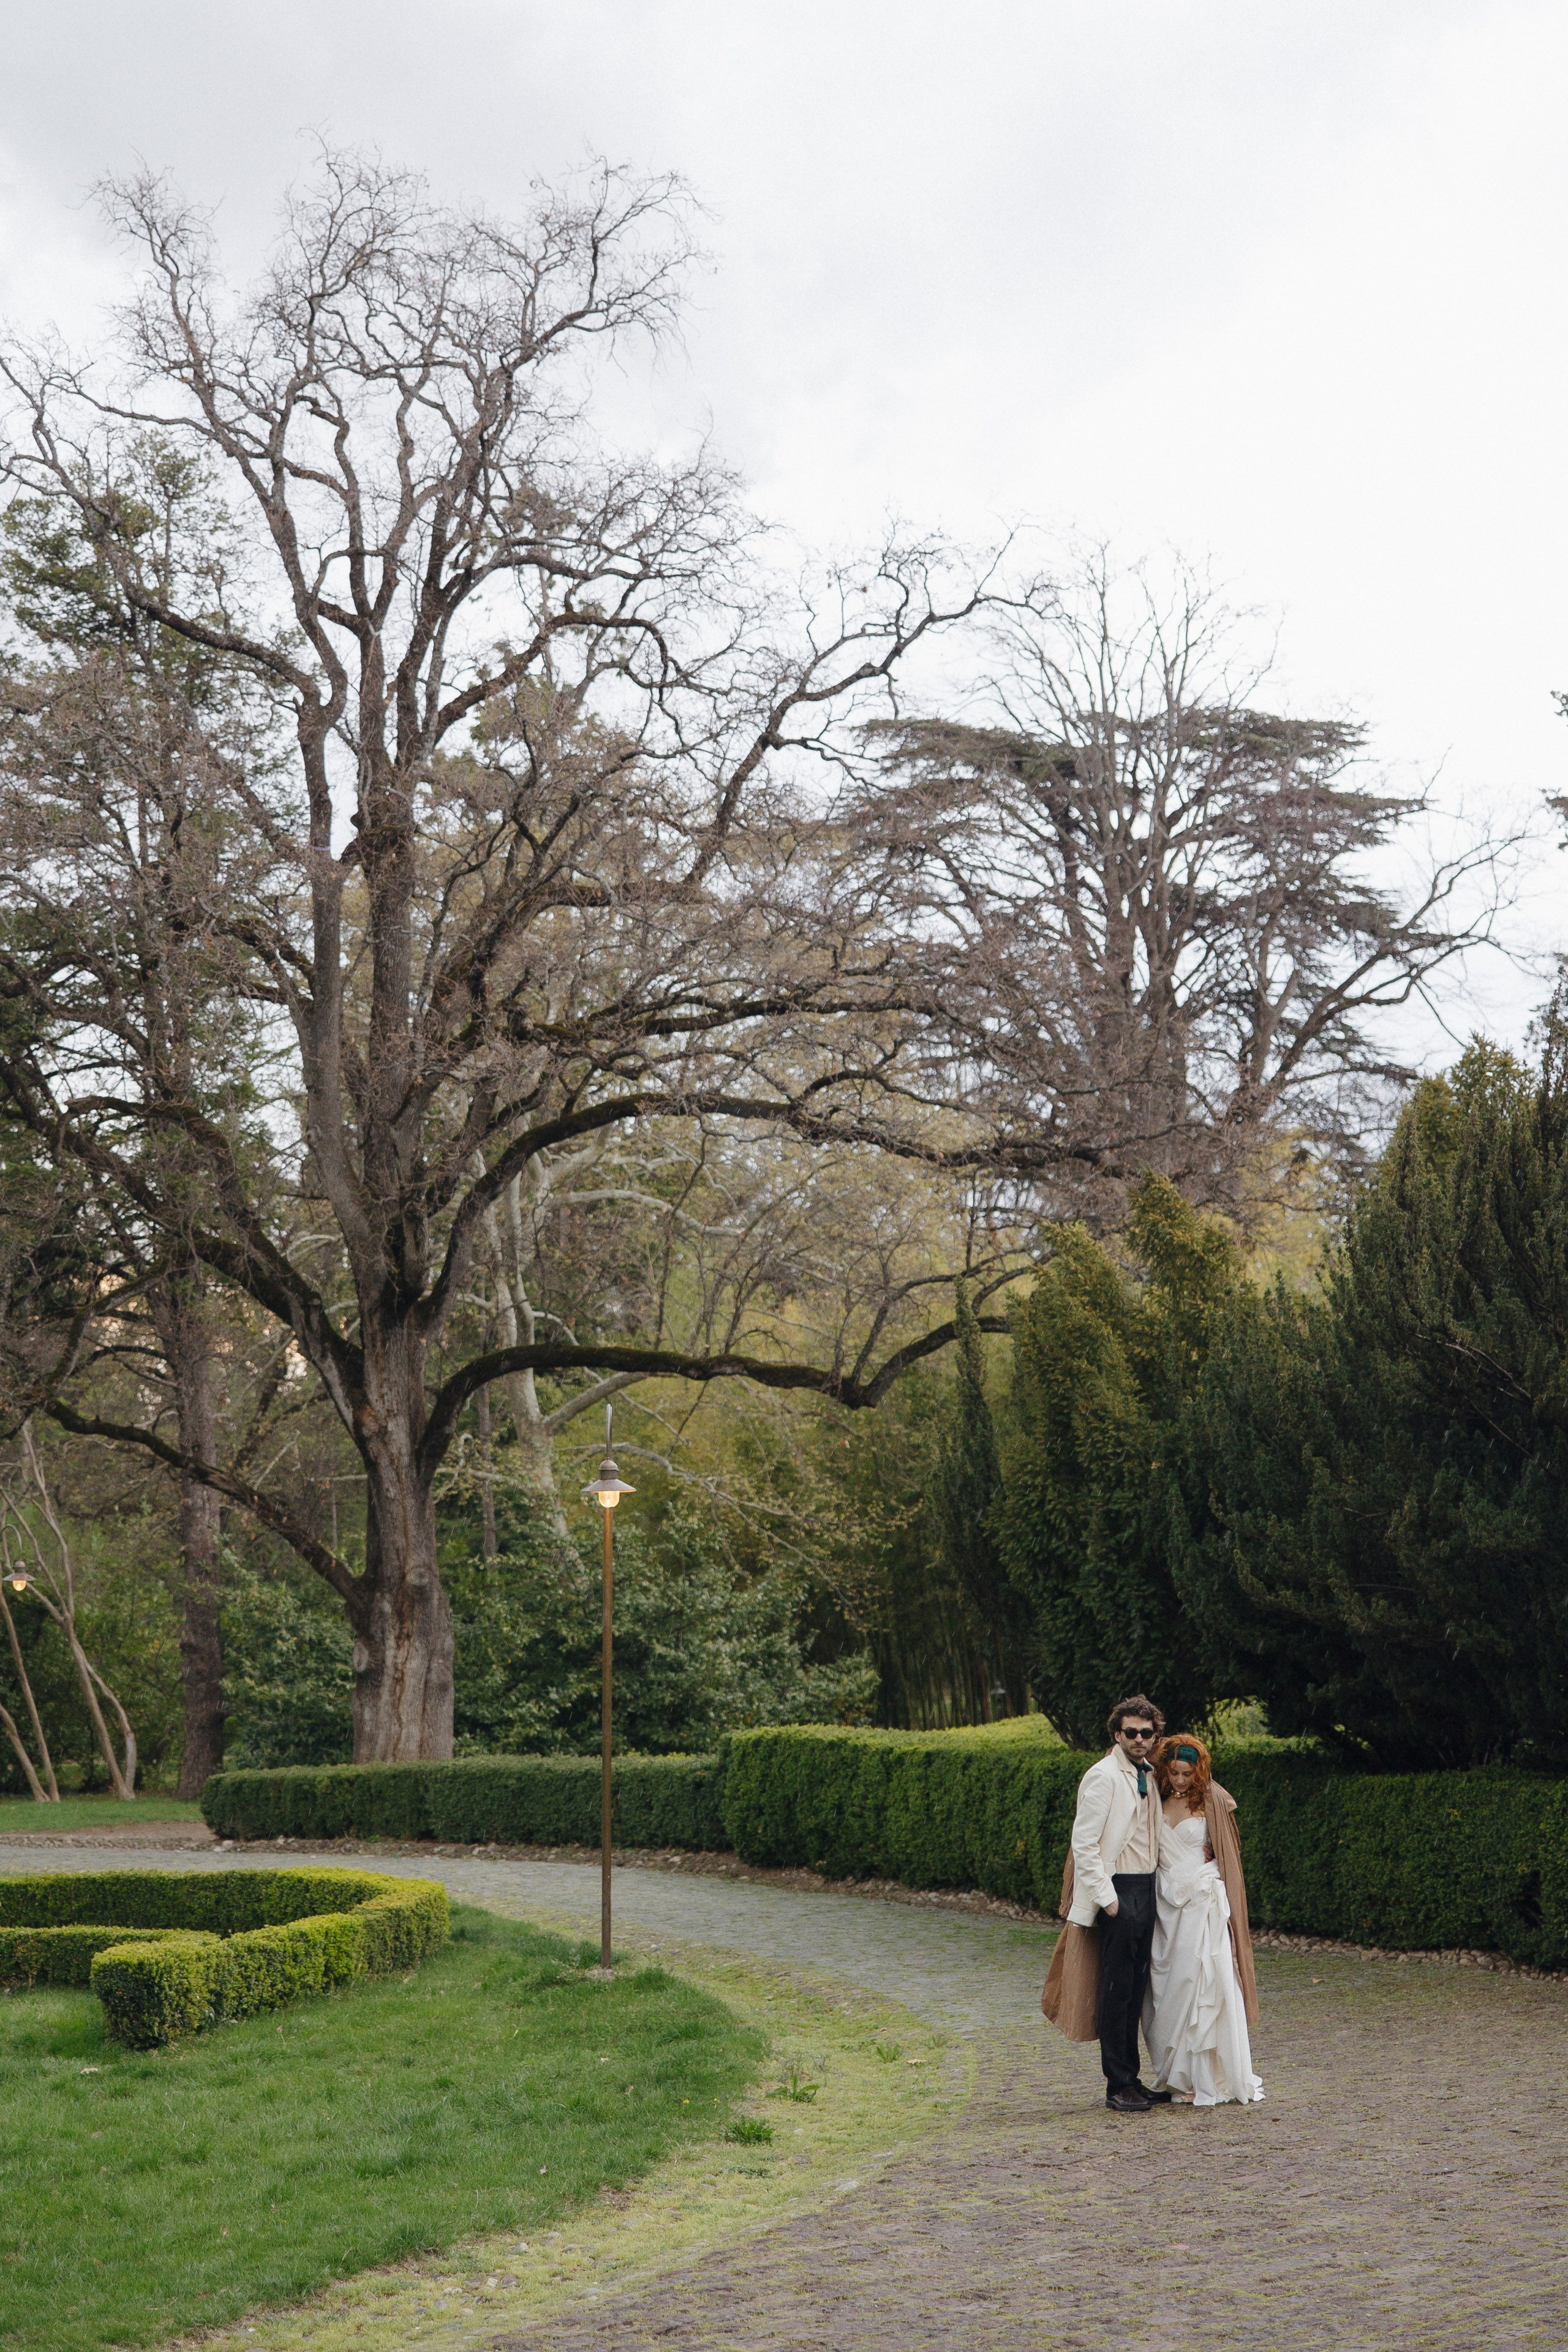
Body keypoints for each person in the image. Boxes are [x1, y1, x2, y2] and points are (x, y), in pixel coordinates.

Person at [1041, 1694, 1166, 2113]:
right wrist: (1109, 1901)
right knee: (1116, 1991)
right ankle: (1118, 2085)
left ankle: (1132, 2078)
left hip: (1147, 1888)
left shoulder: (1147, 1772)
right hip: (1120, 1890)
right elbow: (1085, 1844)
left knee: (1135, 1991)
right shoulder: (1103, 1776)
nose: (1139, 1739)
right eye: (1130, 1732)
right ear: (1116, 1733)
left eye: (1146, 1733)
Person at [1142, 1733, 1264, 2106]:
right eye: (1175, 1772)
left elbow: (1229, 1847)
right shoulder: (1154, 1803)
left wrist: (1210, 1866)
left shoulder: (1210, 1803)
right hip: (1164, 1901)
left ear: (1199, 1772)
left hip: (1201, 1900)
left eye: (1187, 1773)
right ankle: (1176, 2073)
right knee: (1167, 1986)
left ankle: (1207, 2073)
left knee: (1201, 1980)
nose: (1180, 1780)